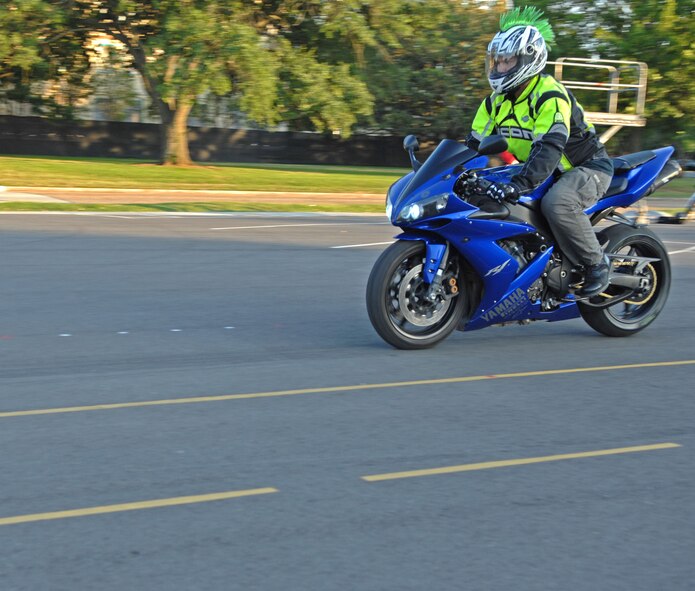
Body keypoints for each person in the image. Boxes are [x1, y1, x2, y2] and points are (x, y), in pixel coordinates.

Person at [464, 7, 614, 297]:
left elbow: (550, 148)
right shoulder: (494, 102)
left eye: (509, 61)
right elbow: (472, 145)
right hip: (540, 170)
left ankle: (597, 264)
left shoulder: (549, 95)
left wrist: (519, 184)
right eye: (499, 61)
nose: (500, 67)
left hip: (584, 169)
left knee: (557, 204)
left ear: (529, 59)